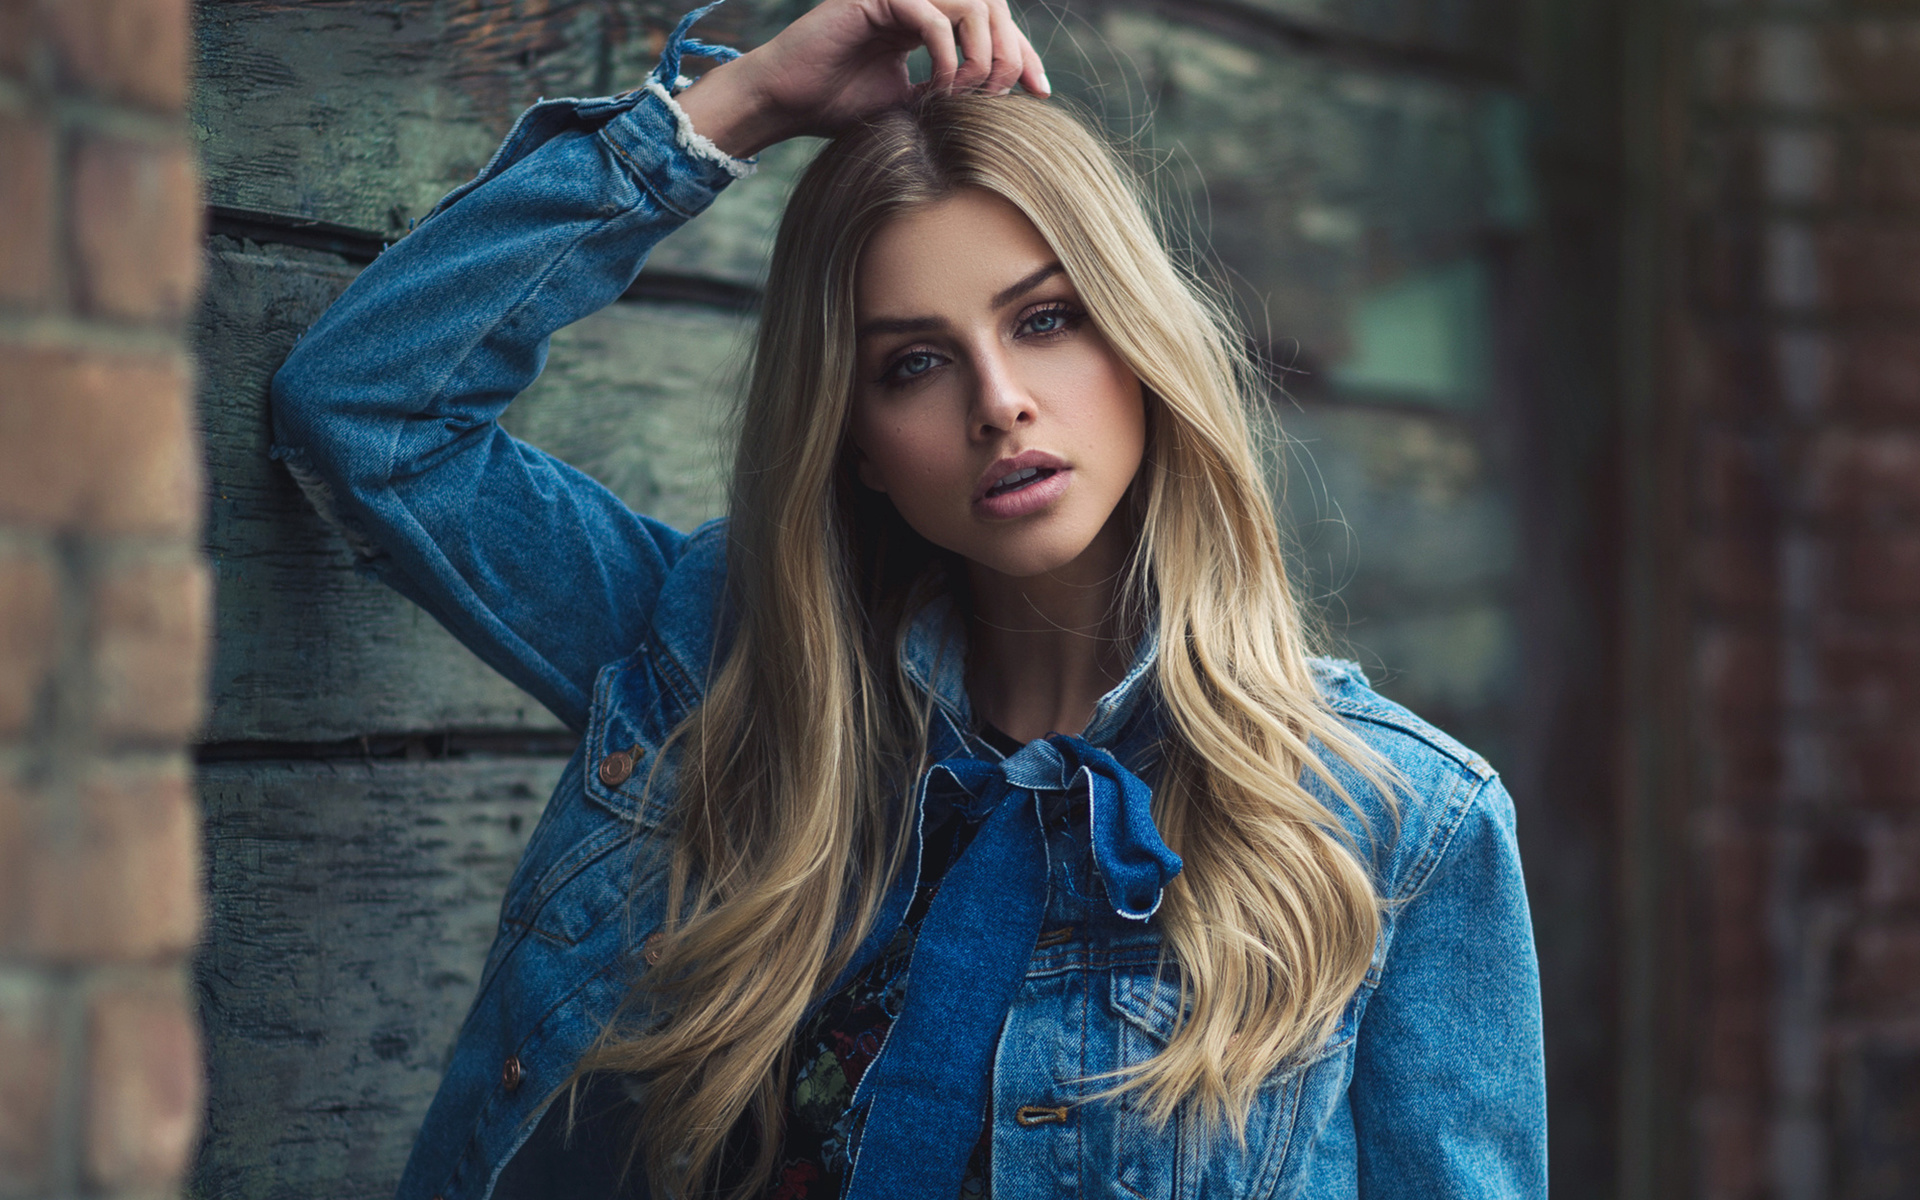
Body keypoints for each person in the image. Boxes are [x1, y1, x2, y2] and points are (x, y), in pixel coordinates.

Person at [269, 1, 1547, 1196]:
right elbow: (375, 412)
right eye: (916, 363)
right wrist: (747, 101)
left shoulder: (1399, 829)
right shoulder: (720, 669)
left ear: (1144, 352)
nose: (998, 401)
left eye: (1047, 321)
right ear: (859, 445)